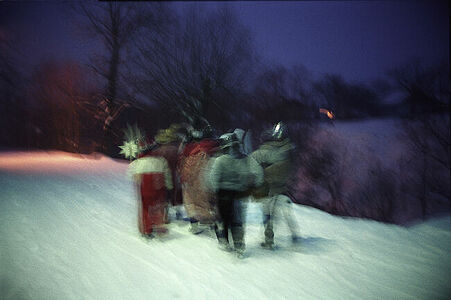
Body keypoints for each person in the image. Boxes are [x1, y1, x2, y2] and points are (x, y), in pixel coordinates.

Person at [208, 131, 264, 258]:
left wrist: (215, 190)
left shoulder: (220, 160)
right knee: (237, 220)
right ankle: (239, 245)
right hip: (240, 193)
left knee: (224, 218)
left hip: (223, 194)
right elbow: (259, 172)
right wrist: (255, 184)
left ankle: (224, 241)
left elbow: (213, 177)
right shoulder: (246, 159)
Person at [251, 122, 301, 249]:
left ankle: (268, 241)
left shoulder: (266, 151)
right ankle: (295, 238)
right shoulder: (289, 149)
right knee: (286, 212)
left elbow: (251, 161)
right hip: (283, 187)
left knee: (268, 214)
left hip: (269, 188)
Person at [178, 125, 219, 234]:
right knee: (212, 203)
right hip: (214, 181)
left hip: (195, 182)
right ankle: (213, 224)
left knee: (191, 202)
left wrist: (183, 179)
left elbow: (186, 169)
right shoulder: (218, 148)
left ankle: (195, 226)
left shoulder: (192, 151)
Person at [128, 140, 173, 238]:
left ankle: (146, 230)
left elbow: (131, 175)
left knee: (145, 209)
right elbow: (167, 176)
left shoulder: (137, 163)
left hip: (145, 190)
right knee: (158, 208)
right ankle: (159, 226)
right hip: (159, 189)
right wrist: (169, 187)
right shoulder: (161, 161)